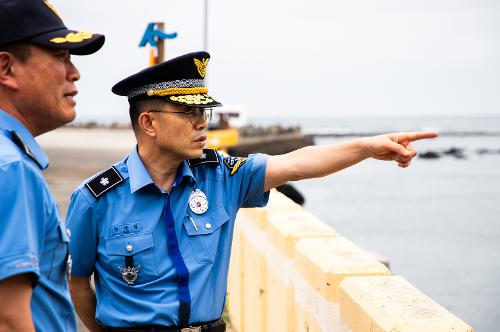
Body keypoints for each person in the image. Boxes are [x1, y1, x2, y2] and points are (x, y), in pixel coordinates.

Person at [66, 51, 437, 332]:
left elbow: (297, 163)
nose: (201, 124)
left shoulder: (221, 177)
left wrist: (367, 148)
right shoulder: (96, 199)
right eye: (187, 113)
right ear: (148, 122)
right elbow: (78, 280)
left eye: (204, 113)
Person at [0, 0, 105, 330]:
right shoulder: (12, 168)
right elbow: (10, 319)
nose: (74, 72)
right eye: (60, 57)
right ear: (6, 69)